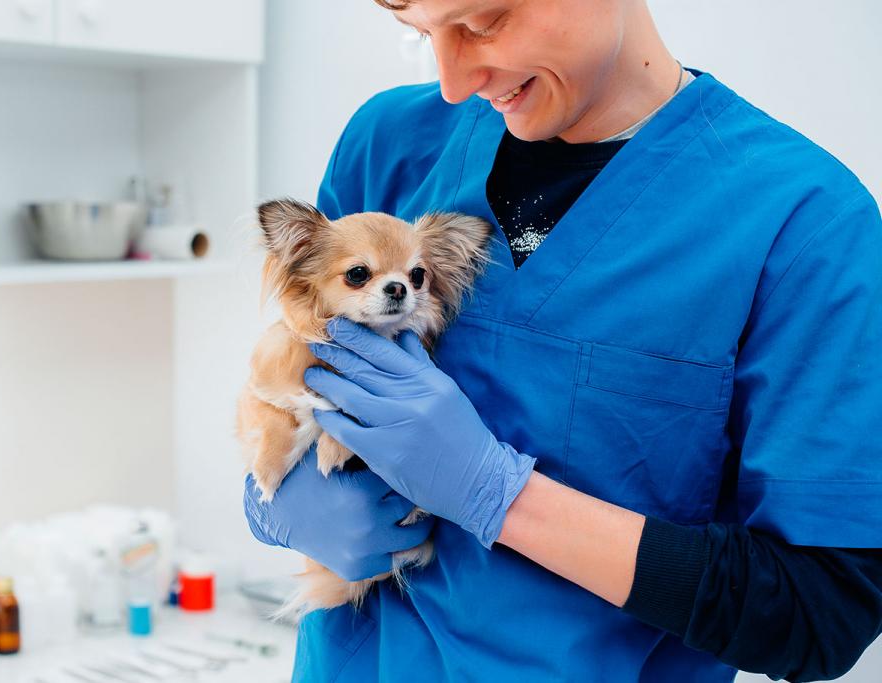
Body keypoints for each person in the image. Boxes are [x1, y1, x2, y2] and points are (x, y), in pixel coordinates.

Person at [243, 1, 882, 681]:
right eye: (423, 33)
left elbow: (819, 617)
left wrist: (499, 495)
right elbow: (291, 375)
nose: (454, 81)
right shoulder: (390, 144)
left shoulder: (804, 222)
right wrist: (273, 499)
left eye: (483, 21)